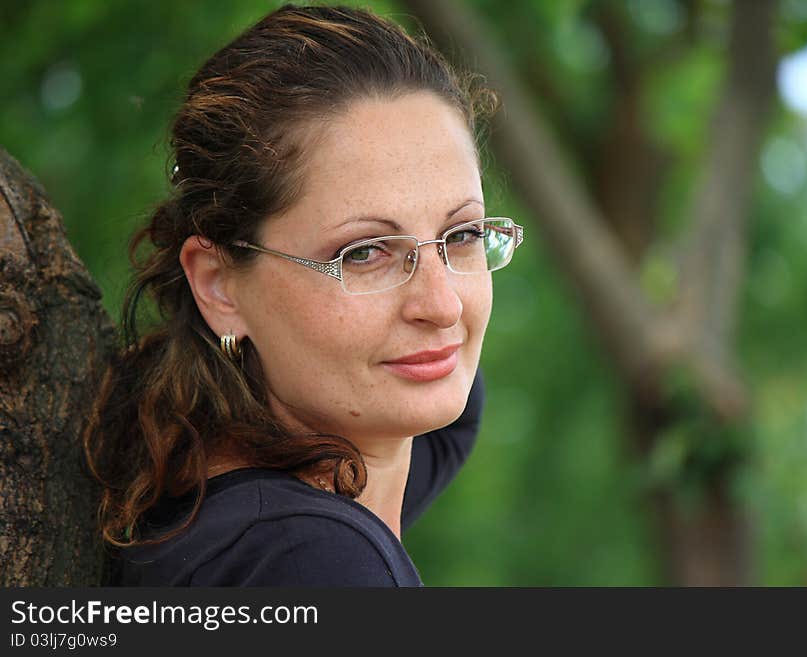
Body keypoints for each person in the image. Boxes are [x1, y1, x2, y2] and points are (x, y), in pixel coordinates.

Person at [84, 4, 524, 586]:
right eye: (365, 253)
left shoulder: (200, 494)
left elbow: (458, 413)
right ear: (220, 285)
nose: (442, 306)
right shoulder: (314, 563)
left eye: (462, 235)